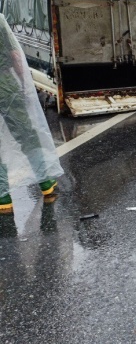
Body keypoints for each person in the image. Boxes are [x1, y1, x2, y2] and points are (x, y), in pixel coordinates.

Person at [0, 14, 63, 214]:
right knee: (26, 134)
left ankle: (3, 197)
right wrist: (25, 85)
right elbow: (15, 55)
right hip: (5, 84)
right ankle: (46, 184)